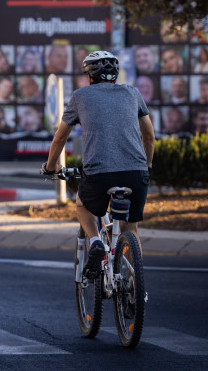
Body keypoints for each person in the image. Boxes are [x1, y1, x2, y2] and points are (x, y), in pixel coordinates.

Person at [42, 51, 155, 280]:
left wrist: (51, 167)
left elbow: (60, 138)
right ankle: (135, 285)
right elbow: (149, 136)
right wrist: (147, 164)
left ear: (89, 77)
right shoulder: (133, 93)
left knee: (83, 206)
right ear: (116, 76)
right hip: (136, 172)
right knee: (130, 228)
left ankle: (95, 242)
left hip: (99, 174)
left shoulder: (80, 96)